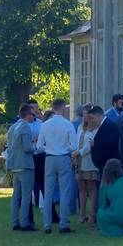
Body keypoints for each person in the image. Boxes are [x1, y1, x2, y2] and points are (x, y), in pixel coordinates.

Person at [36, 99, 77, 234]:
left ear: (53, 108)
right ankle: (63, 223)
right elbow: (74, 146)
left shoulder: (45, 125)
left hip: (49, 158)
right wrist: (65, 147)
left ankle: (47, 224)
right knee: (65, 191)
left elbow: (39, 146)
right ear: (63, 108)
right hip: (64, 157)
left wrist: (50, 147)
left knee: (48, 192)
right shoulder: (68, 125)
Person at [6, 104, 36, 231]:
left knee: (16, 195)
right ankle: (24, 223)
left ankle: (15, 222)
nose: (33, 117)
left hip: (14, 164)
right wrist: (35, 145)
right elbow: (27, 148)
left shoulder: (13, 127)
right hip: (24, 164)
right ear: (28, 115)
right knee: (26, 195)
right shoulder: (25, 127)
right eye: (32, 115)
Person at [74, 107, 100, 225]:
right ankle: (82, 214)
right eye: (83, 114)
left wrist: (79, 153)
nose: (85, 116)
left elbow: (90, 146)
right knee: (82, 189)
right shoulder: (80, 127)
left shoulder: (95, 129)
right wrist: (74, 153)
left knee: (91, 188)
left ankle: (92, 214)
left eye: (87, 114)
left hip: (89, 161)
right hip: (79, 162)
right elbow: (76, 141)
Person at [91, 104, 120, 176]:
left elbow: (112, 141)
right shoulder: (104, 124)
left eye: (92, 118)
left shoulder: (109, 124)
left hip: (107, 163)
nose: (92, 121)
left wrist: (96, 143)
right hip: (104, 163)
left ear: (97, 115)